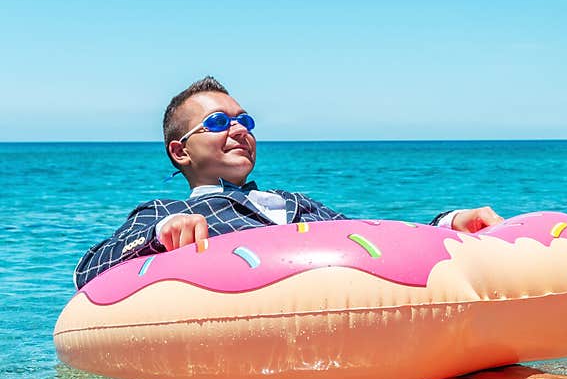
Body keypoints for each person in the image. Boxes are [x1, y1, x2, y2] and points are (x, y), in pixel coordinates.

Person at [73, 76, 504, 289]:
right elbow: (87, 272)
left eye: (246, 121)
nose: (240, 130)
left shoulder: (294, 204)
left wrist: (449, 223)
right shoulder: (165, 213)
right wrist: (155, 239)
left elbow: (374, 242)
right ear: (180, 151)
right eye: (219, 123)